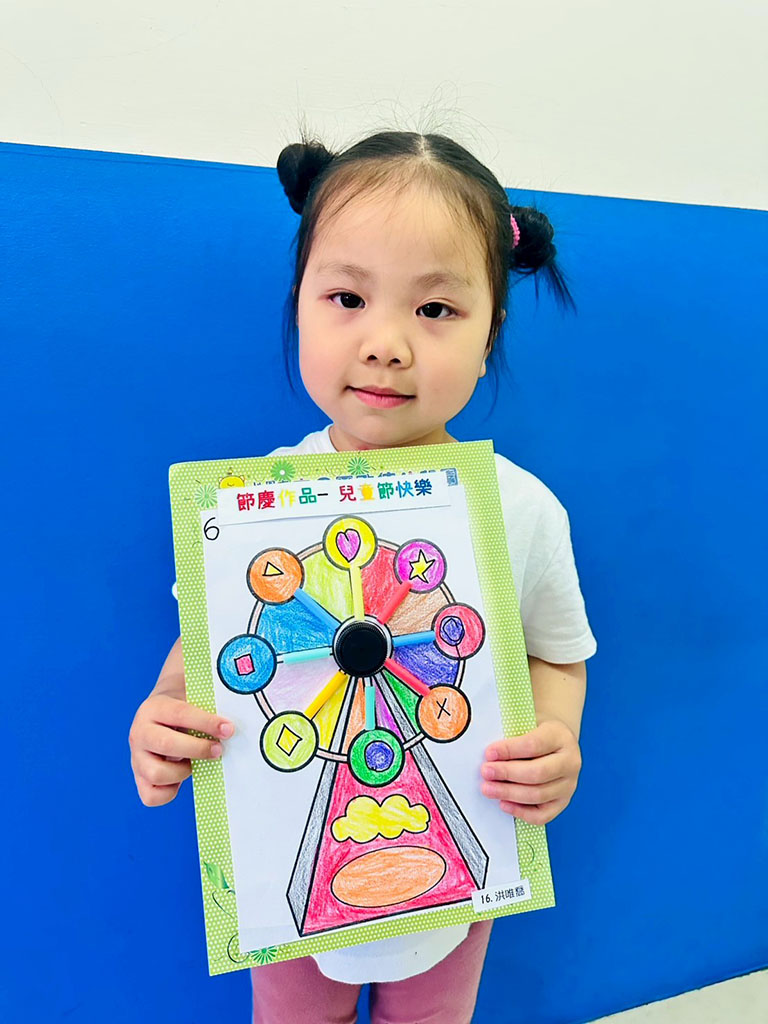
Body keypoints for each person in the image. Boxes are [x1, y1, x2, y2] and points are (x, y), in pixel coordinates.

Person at [129, 129, 597, 1024]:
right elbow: (210, 657)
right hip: (284, 881)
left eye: (436, 309)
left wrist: (555, 738)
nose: (386, 344)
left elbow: (556, 654)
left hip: (463, 874)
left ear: (491, 333)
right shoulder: (248, 515)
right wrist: (162, 720)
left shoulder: (523, 509)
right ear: (299, 306)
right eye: (347, 297)